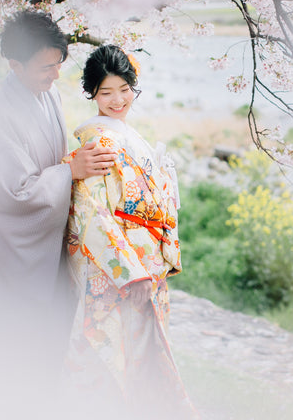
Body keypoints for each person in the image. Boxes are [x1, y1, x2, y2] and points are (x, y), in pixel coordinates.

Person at [0, 10, 115, 414]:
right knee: (11, 358)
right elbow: (13, 197)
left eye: (57, 65)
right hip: (12, 259)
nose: (54, 75)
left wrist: (76, 166)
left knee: (46, 355)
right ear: (15, 65)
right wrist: (70, 170)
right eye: (45, 67)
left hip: (46, 254)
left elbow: (52, 164)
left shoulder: (47, 96)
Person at [64, 45, 195, 417]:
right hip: (120, 270)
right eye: (106, 92)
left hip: (144, 263)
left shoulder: (125, 133)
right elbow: (91, 212)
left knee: (141, 354)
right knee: (117, 357)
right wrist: (128, 273)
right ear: (91, 93)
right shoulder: (101, 141)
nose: (117, 100)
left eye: (124, 89)